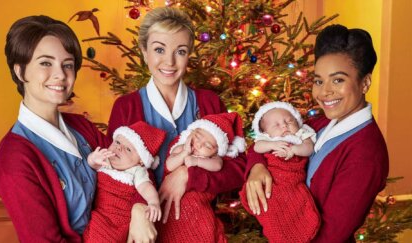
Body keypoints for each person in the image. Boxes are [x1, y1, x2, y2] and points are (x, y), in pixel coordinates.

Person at [0, 15, 156, 242]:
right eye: (46, 63)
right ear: (20, 71)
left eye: (67, 65)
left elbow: (130, 170)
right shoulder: (14, 158)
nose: (60, 75)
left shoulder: (82, 128)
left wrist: (139, 210)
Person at [107, 6, 246, 232]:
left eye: (180, 51)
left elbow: (239, 169)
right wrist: (138, 209)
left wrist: (188, 175)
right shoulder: (126, 107)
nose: (169, 62)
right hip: (146, 233)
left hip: (199, 230)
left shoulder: (209, 103)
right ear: (143, 51)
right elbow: (111, 174)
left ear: (189, 53)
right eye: (159, 49)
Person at [245, 24, 389, 242]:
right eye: (319, 81)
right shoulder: (320, 122)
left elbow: (331, 234)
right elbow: (264, 140)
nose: (324, 92)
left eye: (338, 80)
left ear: (365, 82)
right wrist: (257, 167)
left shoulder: (366, 153)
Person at [156, 112, 245, 242]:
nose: (199, 144)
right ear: (190, 133)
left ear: (217, 151)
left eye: (208, 146)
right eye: (197, 137)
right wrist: (185, 153)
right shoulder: (181, 148)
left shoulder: (213, 158)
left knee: (203, 231)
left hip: (197, 206)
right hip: (170, 200)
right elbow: (169, 165)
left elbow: (218, 165)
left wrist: (197, 163)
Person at [239, 101, 320, 242]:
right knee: (270, 202)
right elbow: (257, 147)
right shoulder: (267, 139)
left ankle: (298, 230)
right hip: (271, 175)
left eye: (289, 120)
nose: (284, 125)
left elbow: (309, 148)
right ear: (265, 132)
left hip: (291, 178)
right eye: (276, 125)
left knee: (296, 201)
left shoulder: (301, 134)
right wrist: (272, 144)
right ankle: (278, 233)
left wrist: (294, 150)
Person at [83, 121, 166, 242]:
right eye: (117, 142)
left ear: (141, 161)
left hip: (120, 219)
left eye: (128, 149)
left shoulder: (136, 171)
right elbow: (91, 165)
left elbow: (145, 187)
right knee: (93, 233)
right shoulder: (105, 161)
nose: (119, 147)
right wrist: (93, 159)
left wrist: (153, 202)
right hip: (101, 214)